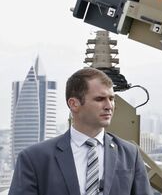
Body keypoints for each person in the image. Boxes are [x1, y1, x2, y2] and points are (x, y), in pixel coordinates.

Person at [10, 67, 151, 195]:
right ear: (74, 104)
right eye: (100, 99)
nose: (109, 106)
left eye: (111, 99)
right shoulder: (34, 158)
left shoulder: (130, 155)